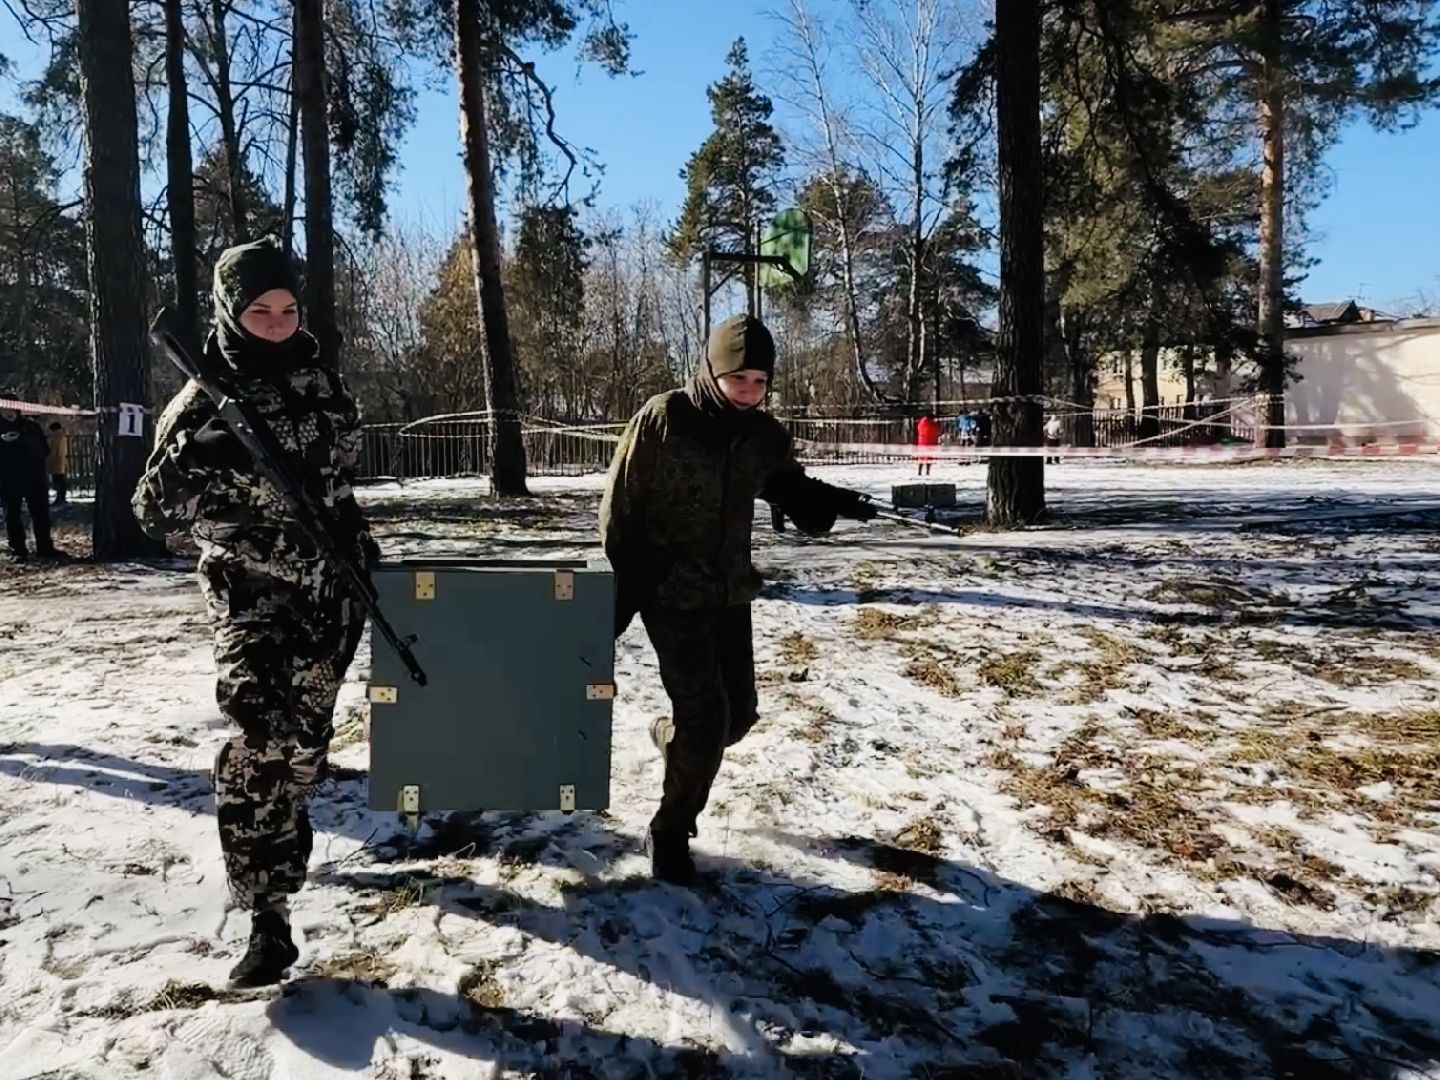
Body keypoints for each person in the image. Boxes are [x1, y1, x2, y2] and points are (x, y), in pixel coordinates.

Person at [133, 236, 378, 987]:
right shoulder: (201, 400)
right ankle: (267, 916)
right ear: (229, 313)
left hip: (330, 596)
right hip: (252, 601)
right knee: (259, 743)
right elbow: (151, 512)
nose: (276, 324)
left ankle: (287, 833)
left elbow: (339, 481)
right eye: (258, 312)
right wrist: (199, 456)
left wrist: (359, 547)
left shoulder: (322, 384)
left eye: (287, 309)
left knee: (304, 746)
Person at [600, 314, 878, 886]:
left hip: (729, 593)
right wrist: (626, 583)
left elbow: (783, 482)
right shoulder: (665, 418)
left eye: (759, 381)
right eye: (737, 378)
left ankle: (672, 740)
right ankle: (670, 832)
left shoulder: (763, 435)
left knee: (737, 718)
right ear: (712, 369)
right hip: (670, 594)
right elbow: (619, 507)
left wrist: (820, 506)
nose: (748, 390)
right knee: (706, 721)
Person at [0, 396, 58, 563]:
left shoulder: (31, 426)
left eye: (12, 406)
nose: (9, 410)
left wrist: (24, 440)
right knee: (12, 515)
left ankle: (45, 547)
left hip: (33, 477)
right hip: (8, 478)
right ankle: (18, 550)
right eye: (5, 406)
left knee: (41, 514)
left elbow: (44, 450)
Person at [47, 422, 69, 506]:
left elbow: (52, 452)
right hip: (62, 461)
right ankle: (62, 498)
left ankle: (59, 498)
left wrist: (48, 460)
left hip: (56, 463)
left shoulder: (54, 439)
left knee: (57, 481)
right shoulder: (63, 438)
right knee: (62, 482)